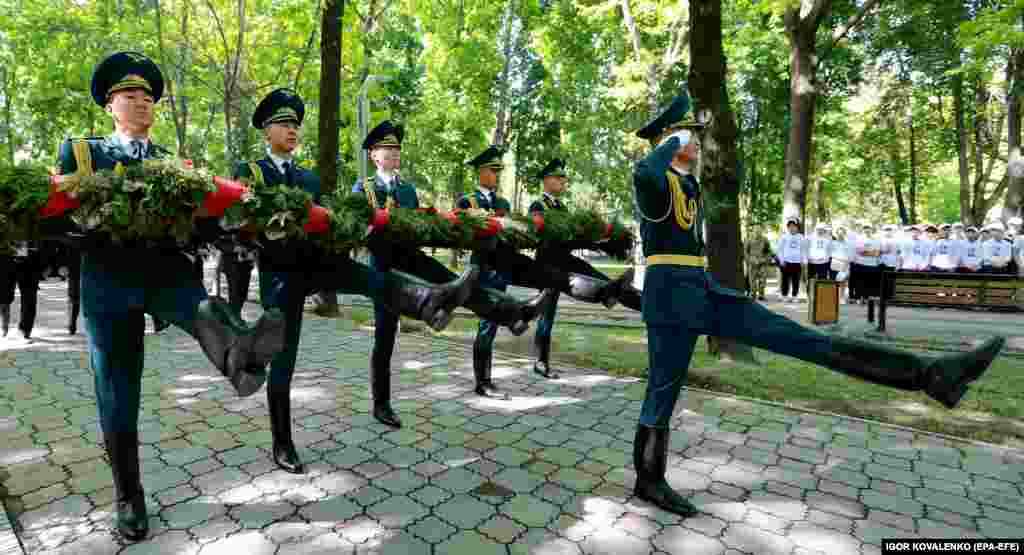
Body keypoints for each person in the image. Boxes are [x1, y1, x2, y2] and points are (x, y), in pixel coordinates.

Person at [630, 89, 1005, 518]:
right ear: (669, 142)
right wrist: (670, 142)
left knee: (804, 340)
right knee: (663, 390)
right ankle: (649, 479)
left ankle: (931, 376)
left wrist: (679, 142)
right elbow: (645, 173)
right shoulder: (655, 183)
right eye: (687, 136)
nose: (695, 142)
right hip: (670, 300)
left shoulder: (685, 183)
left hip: (702, 290)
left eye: (692, 136)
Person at [52, 52, 293, 541]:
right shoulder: (82, 153)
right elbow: (58, 217)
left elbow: (198, 221)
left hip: (164, 271)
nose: (141, 103)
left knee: (201, 306)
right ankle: (129, 496)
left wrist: (228, 227)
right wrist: (88, 227)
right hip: (108, 280)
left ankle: (241, 354)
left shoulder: (173, 163)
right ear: (109, 105)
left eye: (148, 98)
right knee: (119, 393)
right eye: (130, 96)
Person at [237, 91, 479, 471]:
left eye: (295, 125)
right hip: (279, 276)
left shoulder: (309, 178)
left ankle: (429, 301)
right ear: (266, 131)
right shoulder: (251, 173)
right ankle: (282, 442)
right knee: (284, 359)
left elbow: (329, 223)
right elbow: (244, 225)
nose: (292, 130)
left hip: (317, 263)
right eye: (284, 124)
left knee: (372, 279)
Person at [353, 120, 550, 424]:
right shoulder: (364, 189)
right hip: (384, 268)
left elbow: (418, 227)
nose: (393, 153)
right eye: (386, 149)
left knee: (461, 287)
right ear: (373, 155)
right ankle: (382, 404)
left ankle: (515, 313)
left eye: (396, 148)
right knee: (385, 336)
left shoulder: (406, 190)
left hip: (411, 257)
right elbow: (361, 231)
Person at [456, 145, 629, 395]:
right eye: (493, 170)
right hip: (483, 267)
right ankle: (483, 381)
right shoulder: (467, 201)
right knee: (488, 322)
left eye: (498, 171)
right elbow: (465, 233)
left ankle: (535, 351)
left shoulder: (503, 202)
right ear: (480, 172)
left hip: (505, 264)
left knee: (519, 306)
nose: (497, 175)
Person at [527, 157, 641, 379]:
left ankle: (611, 290)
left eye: (564, 179)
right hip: (548, 264)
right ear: (547, 180)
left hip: (565, 258)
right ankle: (541, 362)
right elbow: (539, 233)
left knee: (593, 274)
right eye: (559, 178)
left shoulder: (562, 206)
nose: (563, 182)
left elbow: (569, 236)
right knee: (546, 312)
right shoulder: (538, 205)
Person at [0, 241, 44, 343]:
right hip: (6, 256)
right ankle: (4, 327)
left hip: (29, 259)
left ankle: (24, 331)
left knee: (29, 298)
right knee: (4, 298)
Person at [775, 217, 805, 302]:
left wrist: (803, 260)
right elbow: (779, 249)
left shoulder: (801, 237)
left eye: (794, 226)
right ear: (788, 227)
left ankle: (794, 296)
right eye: (790, 226)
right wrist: (782, 260)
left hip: (797, 262)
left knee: (796, 280)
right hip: (786, 262)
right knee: (785, 280)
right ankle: (784, 295)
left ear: (797, 227)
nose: (792, 228)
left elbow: (803, 250)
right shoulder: (784, 237)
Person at [850, 223, 881, 303]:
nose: (867, 230)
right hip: (861, 264)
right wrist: (871, 252)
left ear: (871, 229)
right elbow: (859, 252)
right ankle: (860, 298)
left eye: (868, 228)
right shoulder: (859, 239)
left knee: (869, 282)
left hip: (872, 265)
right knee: (860, 282)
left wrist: (866, 252)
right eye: (865, 228)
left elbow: (877, 253)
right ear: (863, 230)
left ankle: (867, 298)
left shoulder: (876, 240)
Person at [744, 229, 774, 301]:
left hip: (762, 262)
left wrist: (766, 259)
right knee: (752, 280)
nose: (757, 233)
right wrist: (749, 260)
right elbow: (745, 251)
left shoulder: (765, 240)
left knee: (763, 280)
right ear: (753, 232)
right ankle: (753, 293)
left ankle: (761, 294)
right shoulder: (749, 240)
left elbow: (769, 251)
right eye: (756, 231)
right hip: (752, 262)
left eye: (759, 231)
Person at [829, 225, 852, 302]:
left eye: (842, 233)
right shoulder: (832, 243)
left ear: (844, 233)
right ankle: (833, 297)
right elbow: (829, 253)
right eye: (839, 233)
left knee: (843, 282)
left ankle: (841, 297)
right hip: (834, 264)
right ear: (836, 234)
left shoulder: (848, 243)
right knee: (833, 282)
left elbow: (849, 255)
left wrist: (846, 264)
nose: (840, 234)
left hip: (844, 264)